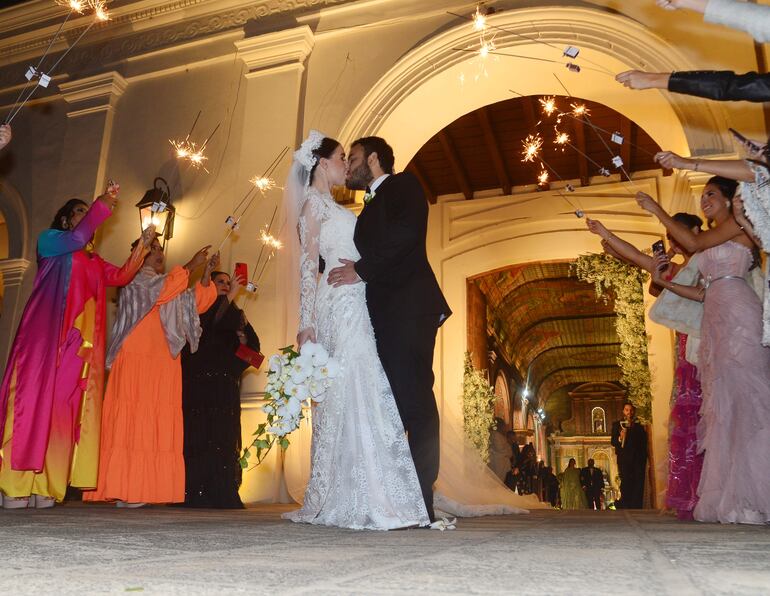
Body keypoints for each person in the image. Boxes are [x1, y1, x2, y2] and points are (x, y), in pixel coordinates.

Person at [281, 132, 431, 530]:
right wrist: (306, 323)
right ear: (322, 164)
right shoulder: (313, 206)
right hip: (339, 303)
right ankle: (353, 492)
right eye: (340, 157)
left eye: (351, 157)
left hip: (357, 299)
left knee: (361, 384)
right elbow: (308, 267)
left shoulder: (336, 204)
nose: (345, 163)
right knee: (355, 384)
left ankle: (373, 489)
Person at [327, 135, 452, 523]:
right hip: (385, 313)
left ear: (375, 159)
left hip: (410, 308)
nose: (348, 165)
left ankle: (422, 497)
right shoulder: (369, 206)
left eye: (355, 158)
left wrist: (360, 270)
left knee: (415, 401)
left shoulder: (405, 185)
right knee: (395, 402)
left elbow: (406, 234)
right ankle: (401, 494)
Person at [0, 189, 151, 509]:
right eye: (80, 211)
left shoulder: (94, 260)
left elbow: (122, 276)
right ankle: (15, 483)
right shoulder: (51, 241)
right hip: (45, 338)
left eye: (88, 211)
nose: (86, 216)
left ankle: (47, 485)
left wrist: (143, 246)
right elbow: (78, 237)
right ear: (66, 219)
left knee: (61, 413)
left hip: (77, 349)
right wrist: (102, 205)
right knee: (30, 403)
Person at [637, 177, 770, 524]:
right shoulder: (715, 240)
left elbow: (693, 240)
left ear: (729, 200)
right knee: (724, 406)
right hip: (714, 318)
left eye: (711, 194)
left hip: (739, 311)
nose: (704, 200)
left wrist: (657, 211)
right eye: (703, 195)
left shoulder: (738, 225)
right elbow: (702, 292)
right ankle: (738, 496)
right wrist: (666, 283)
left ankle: (758, 494)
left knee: (749, 399)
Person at [587, 214, 706, 519]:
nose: (671, 240)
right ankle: (696, 491)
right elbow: (638, 258)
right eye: (669, 234)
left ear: (695, 231)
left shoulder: (705, 258)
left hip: (708, 334)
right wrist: (606, 234)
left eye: (676, 233)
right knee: (689, 414)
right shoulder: (672, 266)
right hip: (686, 340)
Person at [83, 240, 217, 507]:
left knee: (156, 419)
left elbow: (194, 305)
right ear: (139, 254)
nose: (159, 253)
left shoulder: (168, 281)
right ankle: (126, 487)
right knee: (134, 417)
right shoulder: (135, 280)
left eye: (159, 249)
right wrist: (191, 264)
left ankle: (146, 488)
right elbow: (162, 291)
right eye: (152, 249)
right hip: (136, 356)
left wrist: (205, 275)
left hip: (163, 358)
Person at [180, 270, 260, 508]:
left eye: (229, 282)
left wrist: (244, 341)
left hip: (225, 385)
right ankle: (193, 491)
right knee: (199, 434)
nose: (226, 285)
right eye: (221, 282)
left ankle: (222, 491)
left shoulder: (238, 314)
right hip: (199, 384)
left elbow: (254, 352)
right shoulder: (200, 308)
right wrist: (231, 294)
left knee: (223, 436)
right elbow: (207, 328)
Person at [610, 403, 648, 509]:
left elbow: (643, 442)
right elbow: (613, 442)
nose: (629, 412)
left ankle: (636, 505)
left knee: (637, 481)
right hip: (624, 458)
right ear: (623, 411)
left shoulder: (639, 425)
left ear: (633, 412)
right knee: (626, 480)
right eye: (627, 410)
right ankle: (626, 503)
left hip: (637, 458)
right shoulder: (617, 425)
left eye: (631, 410)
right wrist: (620, 437)